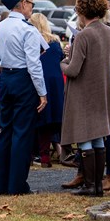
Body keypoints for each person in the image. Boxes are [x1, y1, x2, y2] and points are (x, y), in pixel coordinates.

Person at [0, 0, 47, 195]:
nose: (32, 7)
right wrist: (42, 92)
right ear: (23, 4)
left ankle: (3, 184)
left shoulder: (1, 27)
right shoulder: (28, 29)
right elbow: (34, 64)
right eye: (31, 3)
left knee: (6, 130)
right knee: (22, 133)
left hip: (6, 77)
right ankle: (17, 185)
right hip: (23, 79)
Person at [59, 0, 110, 197]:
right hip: (100, 89)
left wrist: (63, 62)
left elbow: (73, 70)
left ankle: (90, 185)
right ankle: (98, 184)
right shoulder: (108, 31)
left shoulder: (83, 35)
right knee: (98, 137)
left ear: (82, 10)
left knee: (84, 137)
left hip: (82, 92)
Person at [29, 12, 64, 168]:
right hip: (55, 84)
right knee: (49, 121)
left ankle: (37, 154)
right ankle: (45, 156)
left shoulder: (32, 42)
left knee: (39, 119)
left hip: (39, 82)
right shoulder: (55, 43)